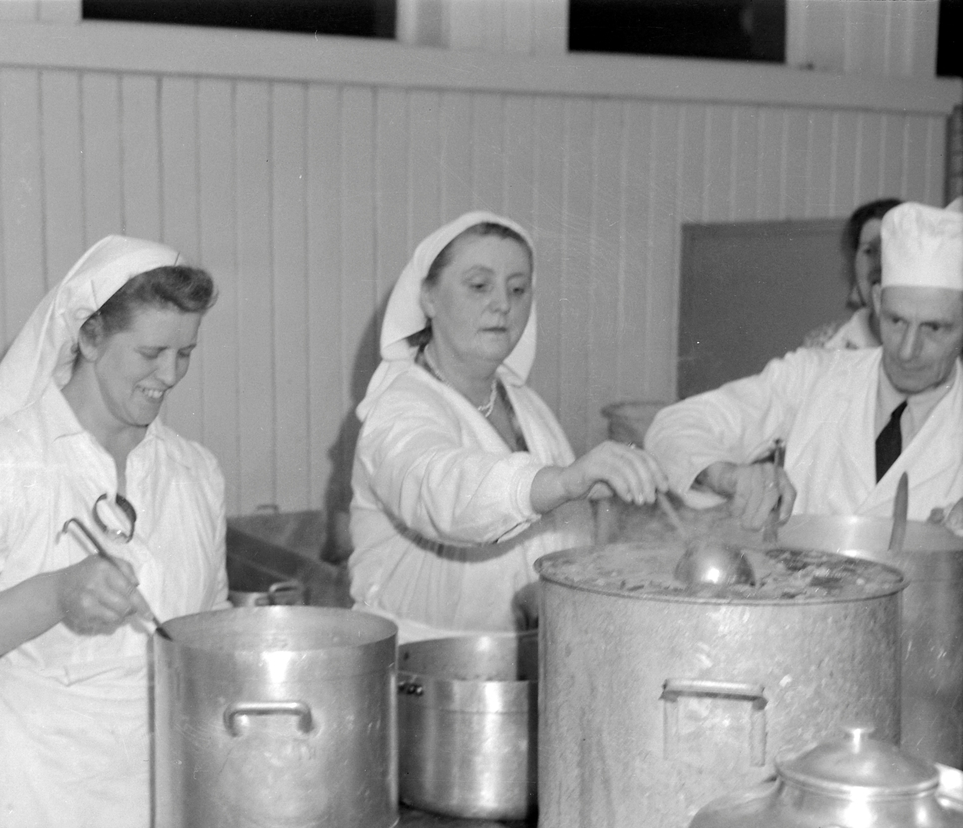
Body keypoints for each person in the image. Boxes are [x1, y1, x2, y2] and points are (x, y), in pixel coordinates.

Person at [0, 236, 228, 828]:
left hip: (159, 788)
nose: (170, 376)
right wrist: (55, 595)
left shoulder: (195, 473)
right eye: (151, 352)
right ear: (89, 337)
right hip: (30, 787)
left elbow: (210, 635)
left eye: (186, 353)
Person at [349, 211, 667, 642]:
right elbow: (443, 491)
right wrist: (567, 480)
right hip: (418, 667)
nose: (502, 303)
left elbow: (560, 527)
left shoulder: (525, 406)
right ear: (427, 297)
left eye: (518, 289)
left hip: (526, 656)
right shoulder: (399, 407)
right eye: (479, 285)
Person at [646, 198, 963, 530]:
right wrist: (729, 476)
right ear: (879, 301)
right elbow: (674, 426)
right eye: (896, 321)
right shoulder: (814, 375)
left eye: (934, 328)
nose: (908, 350)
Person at [803, 197, 902, 350]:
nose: (879, 264)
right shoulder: (822, 344)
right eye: (869, 251)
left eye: (890, 249)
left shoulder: (936, 346)